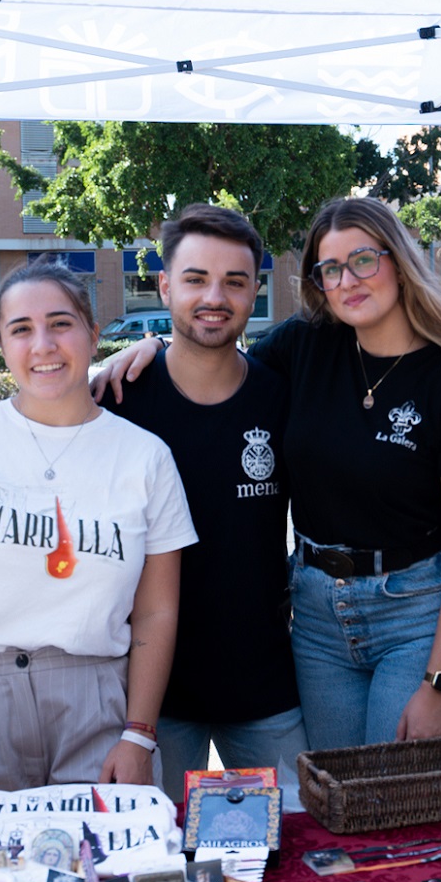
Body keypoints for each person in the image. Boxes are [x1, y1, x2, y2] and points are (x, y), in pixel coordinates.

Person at [0, 259, 195, 824]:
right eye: (21, 329)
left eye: (61, 323)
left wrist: (140, 735)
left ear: (94, 334)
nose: (43, 344)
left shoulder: (145, 456)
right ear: (0, 342)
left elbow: (156, 613)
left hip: (96, 705)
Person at [254, 198, 441, 748]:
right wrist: (152, 351)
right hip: (318, 618)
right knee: (342, 807)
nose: (348, 280)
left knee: (405, 806)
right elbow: (217, 375)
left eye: (363, 260)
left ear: (398, 261)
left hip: (417, 617)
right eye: (331, 269)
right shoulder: (303, 347)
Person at [98, 204, 305, 804]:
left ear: (255, 291)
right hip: (148, 699)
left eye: (235, 281)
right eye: (195, 279)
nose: (215, 296)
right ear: (164, 285)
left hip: (265, 684)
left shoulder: (279, 396)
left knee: (303, 848)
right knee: (150, 864)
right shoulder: (115, 399)